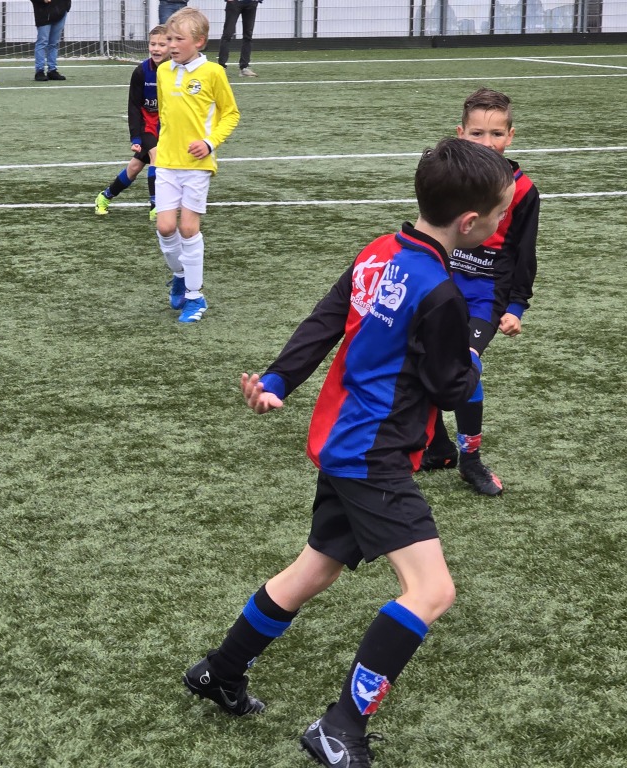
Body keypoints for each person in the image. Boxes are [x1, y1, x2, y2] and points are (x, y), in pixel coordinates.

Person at [182, 137, 515, 767]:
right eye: (501, 213)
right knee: (431, 591)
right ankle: (340, 728)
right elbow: (451, 387)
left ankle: (219, 671)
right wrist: (473, 352)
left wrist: (278, 380)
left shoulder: (378, 251)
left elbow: (324, 319)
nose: (503, 223)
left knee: (315, 569)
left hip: (344, 440)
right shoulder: (443, 293)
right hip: (374, 456)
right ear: (470, 223)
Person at [420, 88, 540, 496]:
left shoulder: (523, 190)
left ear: (510, 136)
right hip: (440, 286)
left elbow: (524, 252)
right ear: (461, 134)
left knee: (462, 364)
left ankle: (470, 460)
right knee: (421, 358)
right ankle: (438, 448)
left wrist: (517, 306)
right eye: (476, 133)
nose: (487, 143)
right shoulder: (450, 177)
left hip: (485, 298)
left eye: (496, 134)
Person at [153, 7, 239, 323]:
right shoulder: (163, 71)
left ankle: (195, 295)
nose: (171, 45)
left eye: (179, 39)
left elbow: (231, 114)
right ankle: (180, 275)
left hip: (197, 165)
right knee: (165, 227)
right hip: (166, 161)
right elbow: (165, 114)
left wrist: (209, 143)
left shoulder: (213, 73)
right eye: (169, 39)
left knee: (188, 228)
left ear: (199, 41)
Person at [94, 25, 169, 222]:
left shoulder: (176, 70)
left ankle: (105, 196)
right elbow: (134, 107)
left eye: (162, 44)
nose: (156, 49)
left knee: (134, 168)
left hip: (166, 127)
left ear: (171, 46)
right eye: (153, 44)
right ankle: (156, 206)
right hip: (147, 126)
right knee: (157, 156)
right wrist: (136, 137)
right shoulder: (141, 72)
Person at [217, 0, 261, 77]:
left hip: (251, 3)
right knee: (227, 34)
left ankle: (244, 67)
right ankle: (221, 66)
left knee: (248, 36)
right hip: (234, 3)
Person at [31, 0, 71, 82]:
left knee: (54, 43)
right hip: (43, 12)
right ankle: (39, 71)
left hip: (61, 11)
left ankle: (52, 70)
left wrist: (66, 6)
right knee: (43, 42)